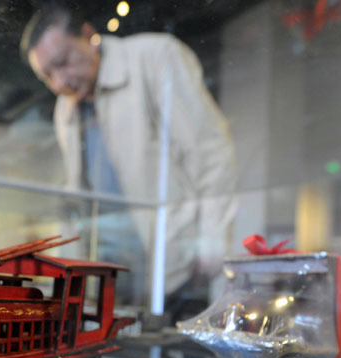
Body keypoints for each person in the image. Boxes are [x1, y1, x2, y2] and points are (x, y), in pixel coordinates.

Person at [21, 3, 237, 322]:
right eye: (47, 76)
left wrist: (212, 241)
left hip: (178, 268)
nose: (59, 82)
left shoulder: (154, 57)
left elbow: (209, 150)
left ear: (88, 35)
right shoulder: (65, 110)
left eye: (63, 62)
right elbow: (78, 196)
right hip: (112, 276)